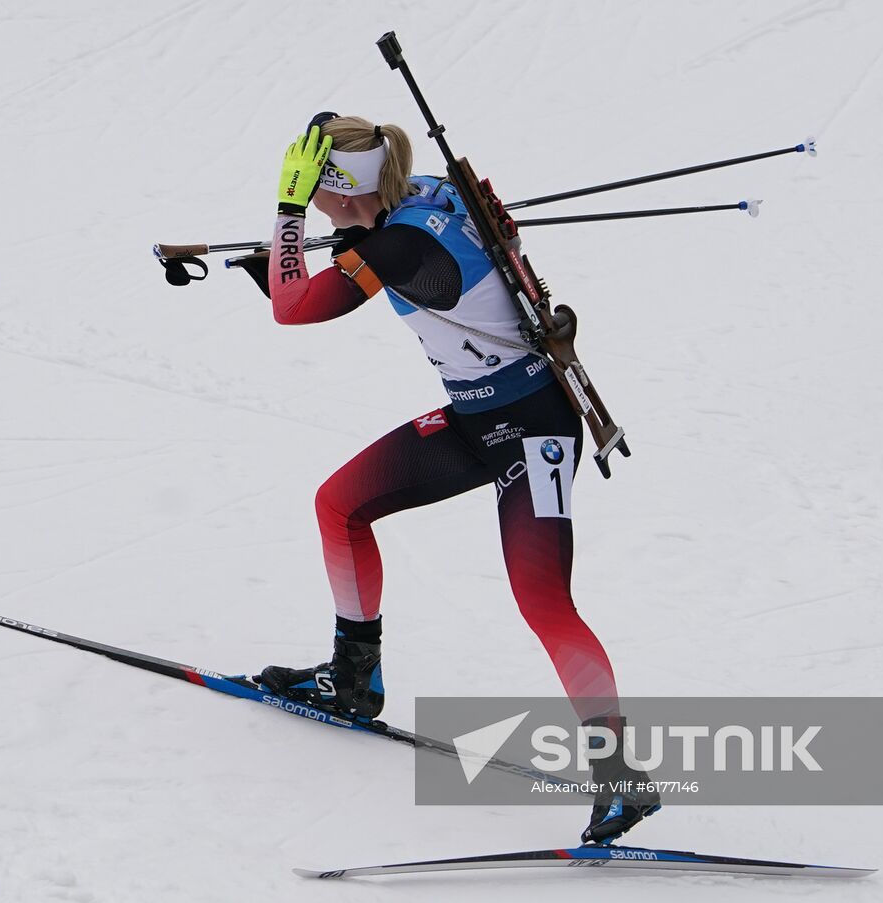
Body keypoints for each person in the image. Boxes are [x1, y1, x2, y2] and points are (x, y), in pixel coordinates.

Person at [247, 113, 659, 845]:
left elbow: (293, 307)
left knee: (543, 599)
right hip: (477, 416)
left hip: (533, 428)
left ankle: (621, 776)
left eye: (312, 188)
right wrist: (317, 254)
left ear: (338, 189)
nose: (306, 200)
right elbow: (380, 258)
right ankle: (353, 679)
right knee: (339, 505)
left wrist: (282, 219)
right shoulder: (424, 197)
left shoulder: (399, 244)